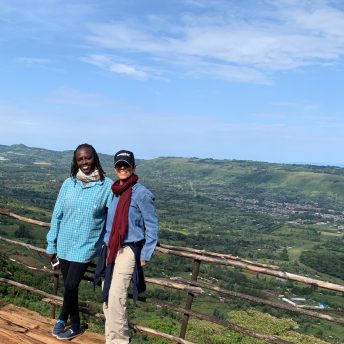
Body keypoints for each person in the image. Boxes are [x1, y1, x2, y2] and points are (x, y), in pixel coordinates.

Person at [46, 143, 113, 340]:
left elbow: (112, 219)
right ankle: (63, 318)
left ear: (95, 159)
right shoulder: (69, 183)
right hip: (64, 243)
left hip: (86, 246)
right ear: (76, 161)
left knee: (71, 286)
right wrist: (51, 243)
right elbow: (57, 214)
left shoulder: (106, 186)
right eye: (80, 159)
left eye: (88, 158)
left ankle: (74, 324)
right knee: (69, 285)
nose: (84, 162)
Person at [95, 149, 158, 344]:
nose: (122, 168)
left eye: (126, 165)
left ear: (133, 167)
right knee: (107, 297)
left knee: (116, 297)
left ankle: (120, 341)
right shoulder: (114, 191)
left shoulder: (141, 194)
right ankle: (110, 339)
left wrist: (146, 252)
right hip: (110, 249)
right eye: (119, 165)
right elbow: (109, 223)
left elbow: (152, 224)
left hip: (128, 249)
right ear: (115, 168)